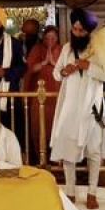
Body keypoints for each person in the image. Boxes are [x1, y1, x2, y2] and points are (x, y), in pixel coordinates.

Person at [50, 8, 105, 209]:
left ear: (88, 32)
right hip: (70, 107)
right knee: (68, 151)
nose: (77, 33)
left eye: (81, 30)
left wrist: (90, 67)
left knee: (94, 151)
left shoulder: (99, 49)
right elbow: (55, 74)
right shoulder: (67, 48)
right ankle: (70, 192)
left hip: (91, 107)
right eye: (75, 29)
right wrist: (63, 70)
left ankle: (92, 193)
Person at [25, 25, 62, 161]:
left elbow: (66, 70)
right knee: (39, 127)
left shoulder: (63, 50)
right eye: (47, 37)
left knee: (57, 127)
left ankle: (58, 161)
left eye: (53, 37)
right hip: (40, 98)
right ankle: (41, 159)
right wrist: (44, 62)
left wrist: (53, 63)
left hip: (58, 96)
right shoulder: (37, 49)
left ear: (57, 38)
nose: (50, 40)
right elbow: (29, 69)